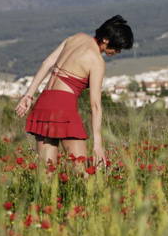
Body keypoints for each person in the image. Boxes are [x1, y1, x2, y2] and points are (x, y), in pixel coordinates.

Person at [14, 15, 134, 176]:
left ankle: (45, 201)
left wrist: (28, 95)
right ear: (105, 40)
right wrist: (97, 144)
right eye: (117, 47)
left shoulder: (75, 37)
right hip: (63, 108)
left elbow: (47, 64)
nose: (118, 52)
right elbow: (95, 105)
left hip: (43, 103)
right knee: (82, 173)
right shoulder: (96, 60)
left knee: (46, 173)